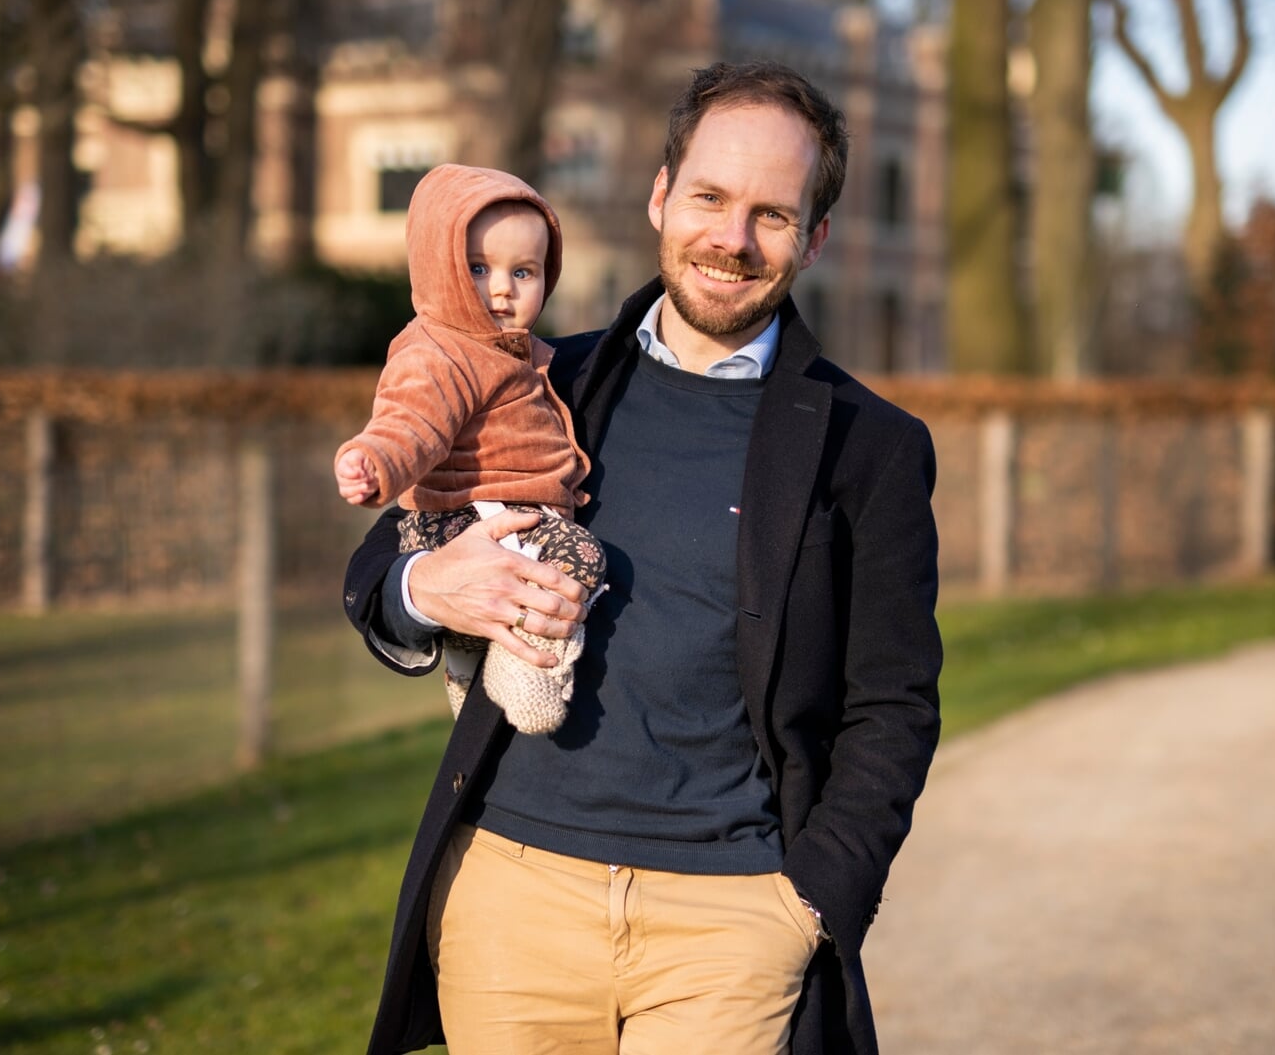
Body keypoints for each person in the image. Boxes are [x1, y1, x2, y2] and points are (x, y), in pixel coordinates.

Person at [342, 61, 943, 1055]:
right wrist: (425, 585)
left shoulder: (868, 446)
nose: (731, 239)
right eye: (708, 197)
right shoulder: (540, 381)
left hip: (730, 924)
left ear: (814, 238)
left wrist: (815, 901)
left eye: (771, 215)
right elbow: (380, 572)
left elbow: (894, 704)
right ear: (661, 194)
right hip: (511, 898)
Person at [334, 164, 607, 735]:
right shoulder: (442, 351)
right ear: (441, 269)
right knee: (580, 558)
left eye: (524, 272)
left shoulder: (517, 352)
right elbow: (412, 422)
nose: (503, 288)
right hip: (475, 517)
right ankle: (528, 665)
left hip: (492, 515)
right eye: (478, 268)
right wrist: (376, 462)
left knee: (519, 587)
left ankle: (463, 666)